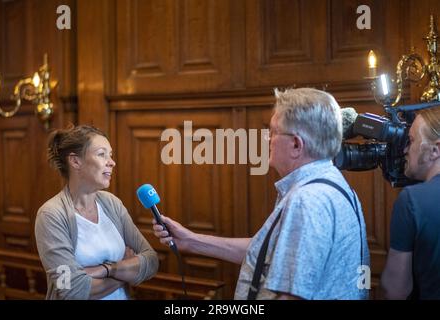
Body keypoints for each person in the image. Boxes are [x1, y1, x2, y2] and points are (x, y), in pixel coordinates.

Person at [153, 88, 370, 300]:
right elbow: (267, 252)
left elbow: (293, 295)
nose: (267, 139)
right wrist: (191, 241)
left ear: (296, 144)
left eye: (273, 132)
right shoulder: (333, 184)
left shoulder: (308, 199)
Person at [35, 125, 158, 300]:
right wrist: (125, 270)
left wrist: (107, 269)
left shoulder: (112, 203)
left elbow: (151, 261)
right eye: (102, 154)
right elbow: (70, 289)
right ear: (75, 161)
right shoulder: (51, 215)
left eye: (111, 155)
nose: (112, 162)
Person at [381, 106, 440, 299]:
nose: (405, 149)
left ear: (435, 150)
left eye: (412, 140)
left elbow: (396, 289)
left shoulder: (412, 200)